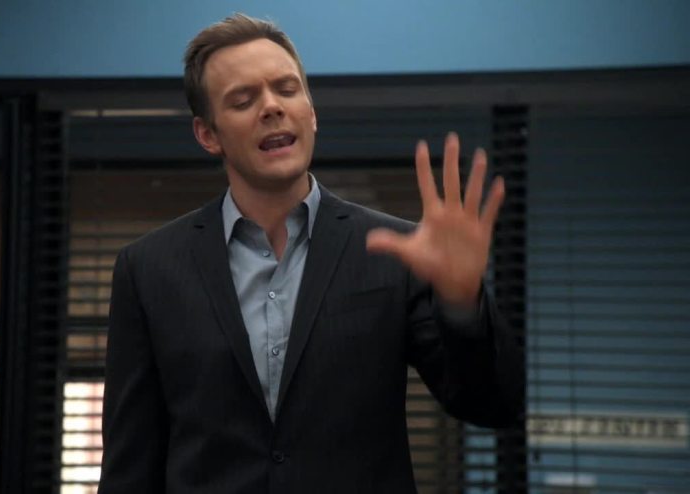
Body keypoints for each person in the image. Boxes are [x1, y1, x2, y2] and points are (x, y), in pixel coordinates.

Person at [98, 13, 523, 494]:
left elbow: (493, 405)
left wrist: (463, 303)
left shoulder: (394, 251)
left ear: (312, 113)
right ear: (207, 134)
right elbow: (129, 467)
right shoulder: (149, 269)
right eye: (243, 100)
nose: (272, 107)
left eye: (287, 89)